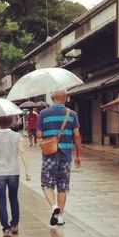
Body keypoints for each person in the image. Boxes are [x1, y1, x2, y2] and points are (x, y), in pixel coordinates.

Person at [37, 89, 82, 226]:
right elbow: (77, 136)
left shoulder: (43, 113)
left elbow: (39, 135)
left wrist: (47, 133)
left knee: (46, 183)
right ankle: (60, 216)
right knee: (62, 186)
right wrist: (78, 155)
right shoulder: (72, 114)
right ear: (66, 98)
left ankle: (53, 207)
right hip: (66, 155)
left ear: (52, 98)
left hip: (50, 154)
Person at [0, 115, 31, 237]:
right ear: (11, 122)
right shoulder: (17, 136)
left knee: (1, 201)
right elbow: (22, 152)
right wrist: (27, 171)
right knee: (13, 198)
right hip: (13, 172)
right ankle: (14, 225)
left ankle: (6, 229)